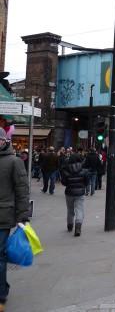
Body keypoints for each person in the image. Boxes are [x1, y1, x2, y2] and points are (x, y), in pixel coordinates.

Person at [0, 128, 30, 311]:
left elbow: (22, 190)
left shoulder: (14, 161)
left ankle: (1, 294)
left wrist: (22, 216)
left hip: (3, 216)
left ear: (5, 140)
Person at [61, 154, 89, 236]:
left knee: (70, 209)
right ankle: (78, 227)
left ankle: (70, 225)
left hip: (69, 192)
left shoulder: (66, 170)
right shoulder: (84, 170)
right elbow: (87, 182)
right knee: (79, 209)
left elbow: (64, 182)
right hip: (80, 192)